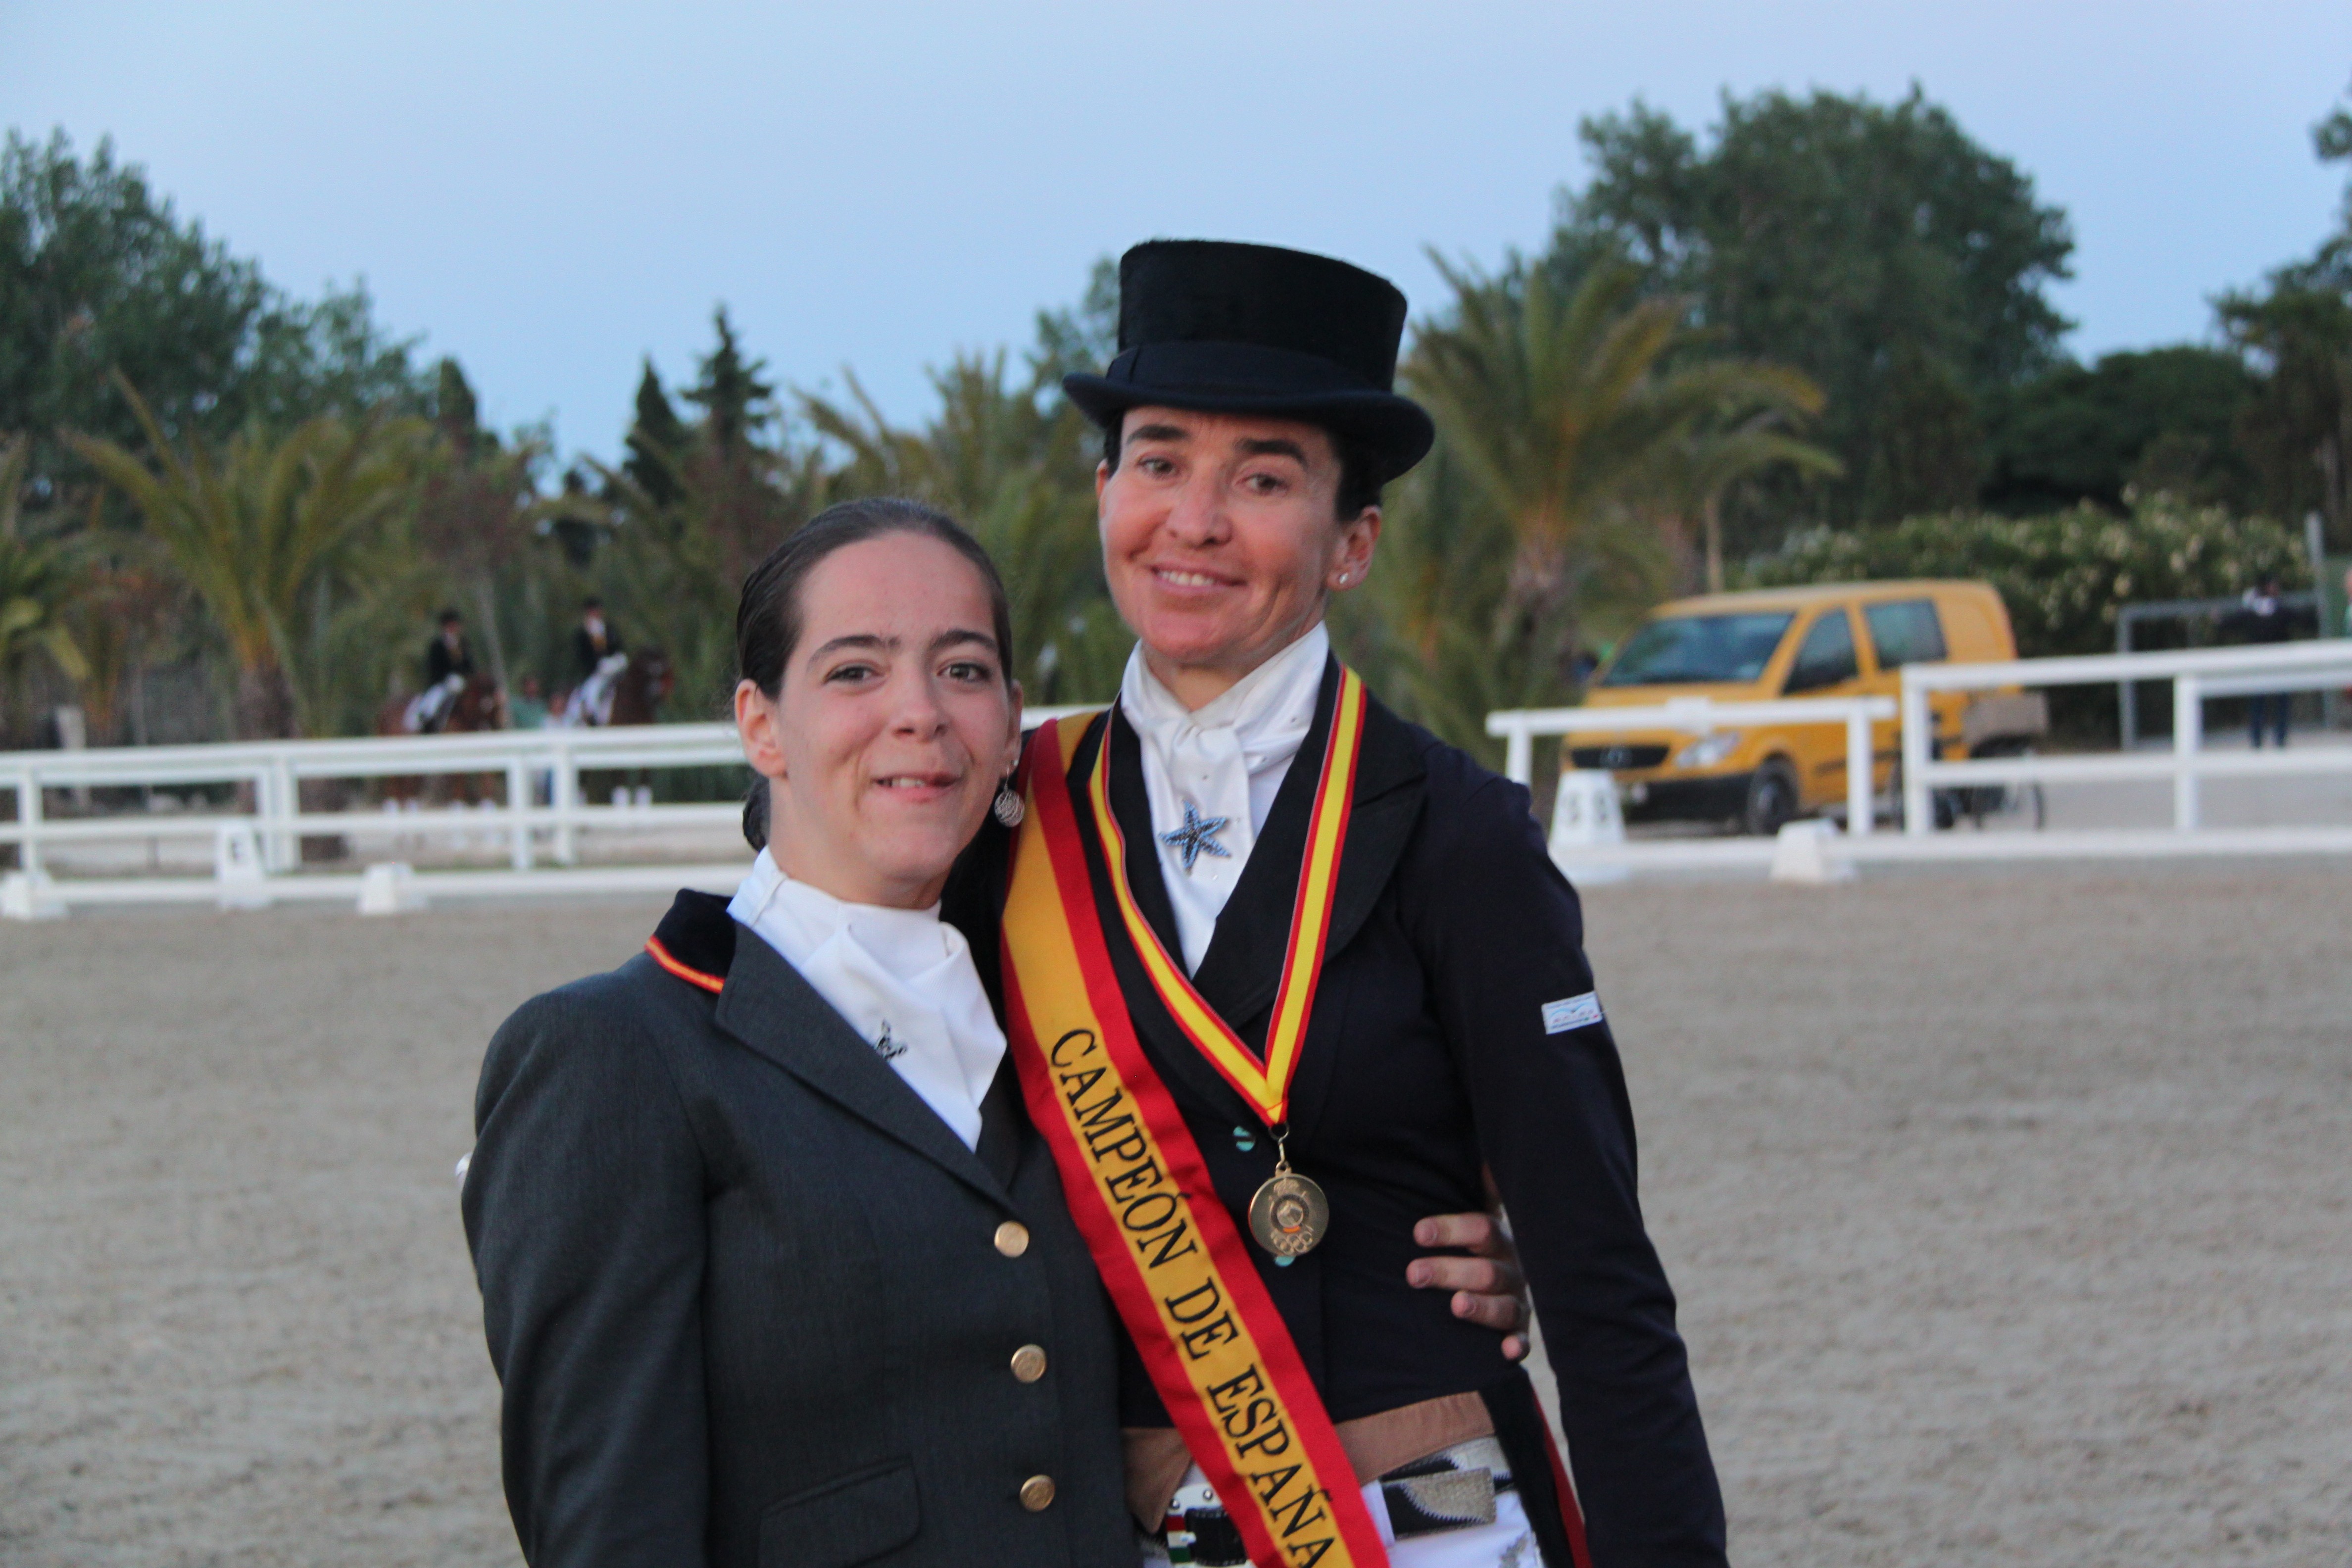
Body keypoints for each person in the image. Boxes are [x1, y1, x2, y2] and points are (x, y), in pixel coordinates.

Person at [463, 498, 1527, 1568]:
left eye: (963, 669)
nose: (920, 712)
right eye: (855, 672)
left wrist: (1444, 1264)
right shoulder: (615, 1054)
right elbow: (608, 1531)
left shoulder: (1063, 1028)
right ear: (759, 723)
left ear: (1012, 717)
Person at [949, 242, 1726, 1568]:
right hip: (1123, 1512)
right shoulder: (996, 817)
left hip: (1429, 1509)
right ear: (1102, 491)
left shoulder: (1461, 833)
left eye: (1262, 477)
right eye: (1157, 458)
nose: (1193, 517)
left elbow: (1602, 1285)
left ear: (1352, 542)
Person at [2235, 577, 2294, 747]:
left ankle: (2279, 738)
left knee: (2279, 700)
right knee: (2259, 701)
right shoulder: (2256, 609)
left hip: (2279, 664)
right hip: (2260, 665)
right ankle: (2257, 739)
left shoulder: (2279, 610)